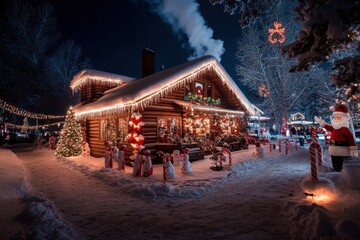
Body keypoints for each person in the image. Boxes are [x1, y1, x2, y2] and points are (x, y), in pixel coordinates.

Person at [314, 104, 358, 171]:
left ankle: (341, 173)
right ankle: (336, 170)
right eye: (335, 117)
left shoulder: (345, 130)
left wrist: (353, 149)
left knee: (343, 167)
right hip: (333, 152)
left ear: (344, 119)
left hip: (343, 152)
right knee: (335, 164)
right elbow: (327, 127)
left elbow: (350, 140)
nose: (336, 119)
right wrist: (321, 122)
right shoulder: (334, 129)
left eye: (338, 117)